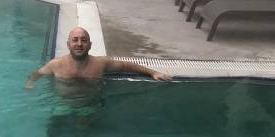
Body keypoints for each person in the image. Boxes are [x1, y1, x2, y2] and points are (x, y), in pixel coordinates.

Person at [25, 26, 171, 88]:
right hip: (61, 105)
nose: (79, 44)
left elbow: (126, 65)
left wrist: (153, 72)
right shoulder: (56, 65)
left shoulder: (100, 64)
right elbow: (37, 73)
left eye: (83, 40)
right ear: (68, 45)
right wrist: (30, 82)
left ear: (90, 45)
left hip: (88, 107)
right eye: (75, 40)